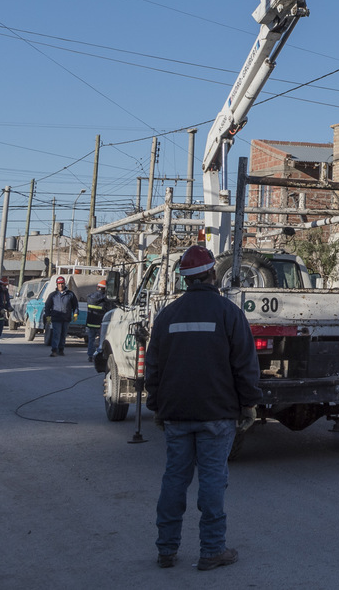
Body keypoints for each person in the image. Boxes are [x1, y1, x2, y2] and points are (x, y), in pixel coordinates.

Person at [145, 244, 262, 571]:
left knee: (174, 479)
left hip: (176, 413)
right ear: (213, 274)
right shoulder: (229, 313)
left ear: (185, 280)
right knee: (212, 482)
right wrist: (248, 403)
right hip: (217, 414)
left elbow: (152, 368)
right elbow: (245, 365)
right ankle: (212, 551)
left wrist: (156, 405)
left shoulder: (167, 315)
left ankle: (166, 550)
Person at [43, 276, 79, 357]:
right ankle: (54, 350)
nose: (60, 285)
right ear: (57, 284)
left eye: (62, 283)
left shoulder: (70, 294)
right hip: (56, 318)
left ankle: (61, 349)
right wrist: (48, 316)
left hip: (66, 318)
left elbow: (75, 305)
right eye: (59, 284)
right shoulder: (53, 295)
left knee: (63, 335)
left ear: (64, 284)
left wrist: (76, 313)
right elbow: (47, 306)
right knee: (56, 334)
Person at [85, 280, 114, 362]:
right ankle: (100, 356)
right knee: (102, 341)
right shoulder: (106, 300)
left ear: (98, 287)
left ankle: (90, 356)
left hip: (90, 323)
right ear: (105, 289)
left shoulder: (90, 297)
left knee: (91, 340)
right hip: (100, 324)